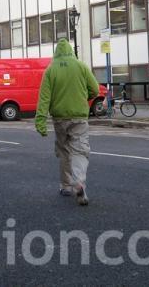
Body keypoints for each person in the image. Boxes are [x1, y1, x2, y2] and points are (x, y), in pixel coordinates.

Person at [35, 38, 100, 206]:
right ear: (71, 51)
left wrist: (40, 121)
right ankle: (79, 182)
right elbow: (95, 90)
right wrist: (83, 98)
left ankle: (66, 186)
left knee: (64, 151)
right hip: (79, 117)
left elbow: (44, 98)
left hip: (59, 118)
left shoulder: (50, 70)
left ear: (56, 53)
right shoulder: (81, 66)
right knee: (80, 150)